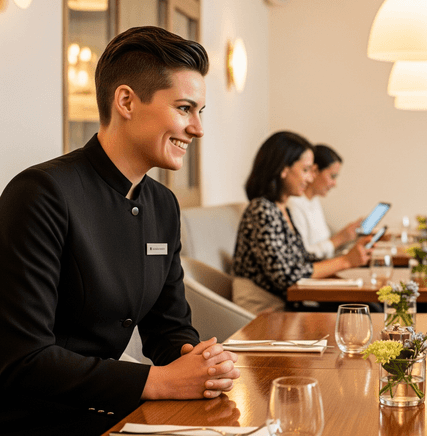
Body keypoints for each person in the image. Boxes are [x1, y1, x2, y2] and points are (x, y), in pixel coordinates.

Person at [0, 26, 240, 436]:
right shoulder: (41, 193)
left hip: (116, 411)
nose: (197, 128)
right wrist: (162, 381)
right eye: (184, 108)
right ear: (126, 101)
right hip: (36, 419)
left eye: (201, 112)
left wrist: (197, 362)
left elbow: (168, 327)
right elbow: (24, 358)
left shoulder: (163, 205)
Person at [232, 131, 371, 314]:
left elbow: (300, 258)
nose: (311, 178)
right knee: (358, 313)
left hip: (286, 305)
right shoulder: (262, 209)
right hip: (264, 312)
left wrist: (348, 255)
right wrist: (345, 261)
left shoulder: (281, 208)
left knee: (362, 311)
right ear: (283, 169)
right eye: (305, 170)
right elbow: (286, 276)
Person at [287, 144, 362, 259]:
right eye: (332, 176)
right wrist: (338, 239)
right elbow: (303, 254)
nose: (334, 183)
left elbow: (323, 243)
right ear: (315, 171)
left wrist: (348, 237)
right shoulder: (293, 204)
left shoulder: (313, 201)